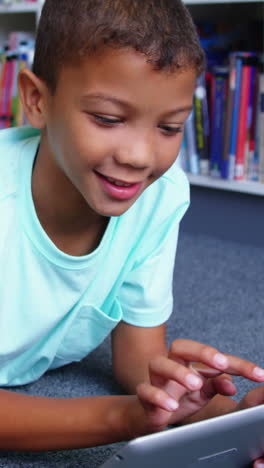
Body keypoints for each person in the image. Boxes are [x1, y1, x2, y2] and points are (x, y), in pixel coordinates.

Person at [0, 0, 263, 464]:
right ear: (37, 101)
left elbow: (138, 357)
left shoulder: (159, 196)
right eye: (108, 118)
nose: (140, 157)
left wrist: (224, 412)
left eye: (169, 126)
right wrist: (124, 419)